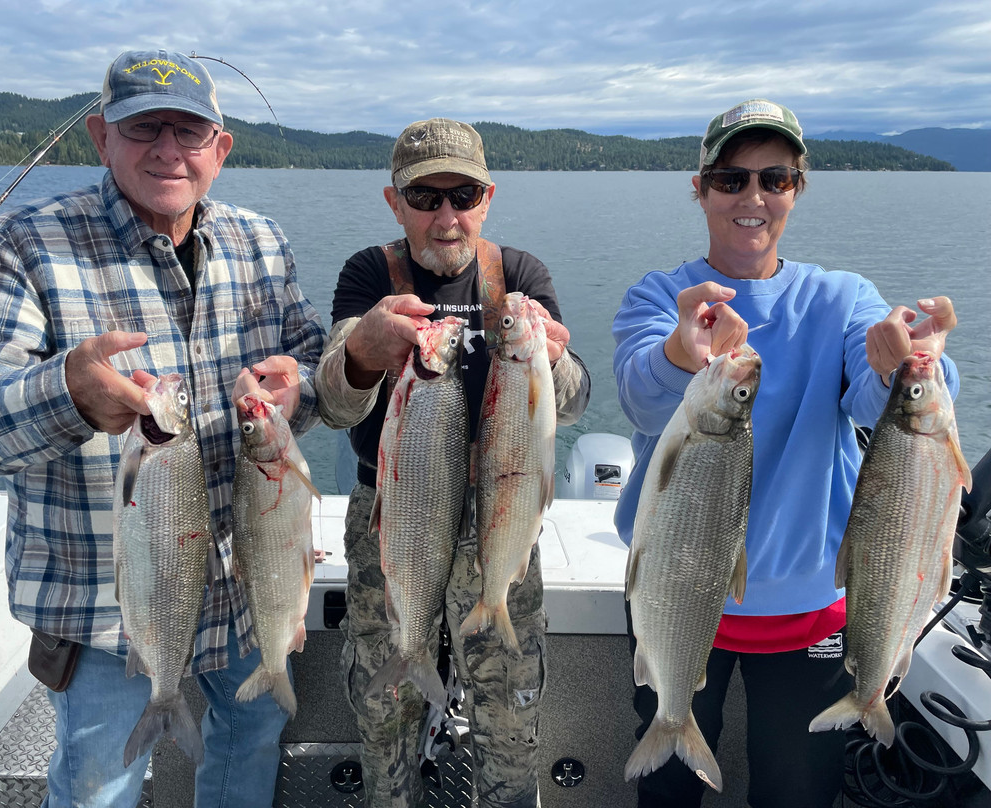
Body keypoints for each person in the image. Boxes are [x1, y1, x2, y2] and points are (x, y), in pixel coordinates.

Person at [0, 49, 326, 808]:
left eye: (189, 131)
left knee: (251, 739)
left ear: (220, 149)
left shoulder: (262, 242)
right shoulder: (26, 246)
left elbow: (309, 364)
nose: (169, 150)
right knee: (99, 786)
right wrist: (63, 393)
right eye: (143, 128)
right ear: (102, 138)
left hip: (248, 590)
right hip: (103, 610)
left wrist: (299, 384)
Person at [611, 98, 960, 807]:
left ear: (798, 189)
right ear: (700, 189)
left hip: (810, 608)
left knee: (799, 791)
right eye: (731, 179)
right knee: (667, 791)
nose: (754, 197)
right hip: (676, 591)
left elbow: (878, 401)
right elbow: (642, 402)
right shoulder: (661, 296)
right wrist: (680, 351)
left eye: (775, 179)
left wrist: (909, 361)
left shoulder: (843, 298)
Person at [315, 118, 590, 807]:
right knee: (384, 707)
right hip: (396, 514)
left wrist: (552, 360)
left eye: (462, 196)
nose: (446, 216)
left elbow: (576, 400)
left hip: (500, 516)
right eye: (425, 197)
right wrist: (361, 354)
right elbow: (335, 405)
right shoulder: (368, 274)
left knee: (509, 705)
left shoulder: (518, 275)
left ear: (487, 199)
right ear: (395, 202)